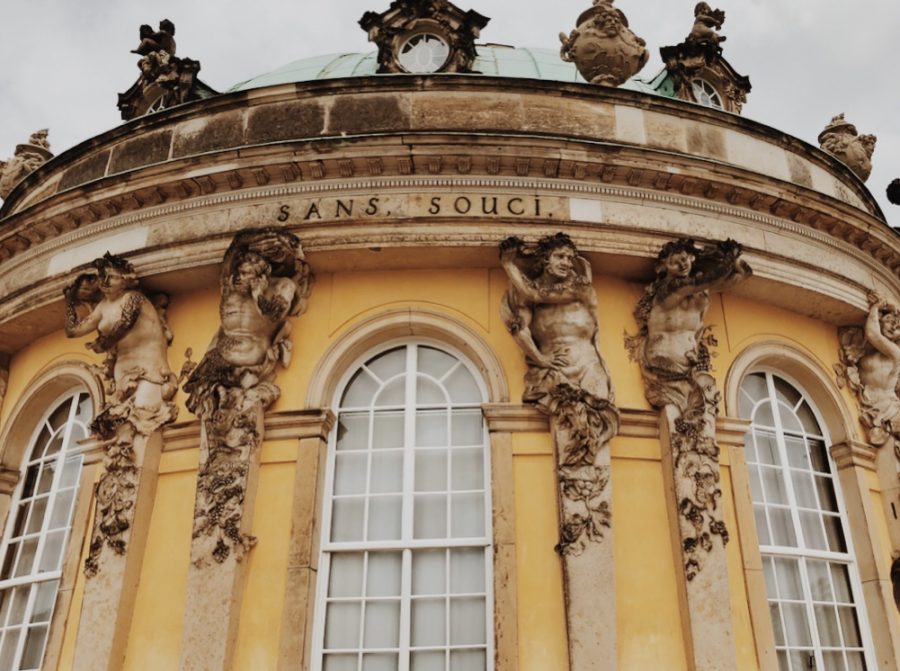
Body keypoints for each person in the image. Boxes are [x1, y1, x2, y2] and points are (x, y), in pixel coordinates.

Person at [501, 233, 618, 555]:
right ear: (544, 261)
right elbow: (519, 328)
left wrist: (508, 264)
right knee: (573, 436)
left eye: (570, 257)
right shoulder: (528, 298)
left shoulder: (579, 285)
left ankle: (588, 516)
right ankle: (581, 522)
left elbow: (535, 292)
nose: (567, 263)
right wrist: (540, 360)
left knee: (591, 435)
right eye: (559, 257)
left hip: (587, 366)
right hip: (555, 371)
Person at [184, 229, 311, 417]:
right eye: (240, 271)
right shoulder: (229, 286)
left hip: (250, 359)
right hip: (216, 361)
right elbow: (234, 249)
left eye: (246, 273)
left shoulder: (282, 286)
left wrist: (258, 295)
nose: (240, 277)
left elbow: (275, 314)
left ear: (263, 275)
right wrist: (267, 238)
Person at [64, 253, 176, 433]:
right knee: (119, 426)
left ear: (125, 280)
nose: (105, 282)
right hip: (122, 373)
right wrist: (70, 301)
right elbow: (72, 331)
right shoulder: (102, 307)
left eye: (112, 277)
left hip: (149, 367)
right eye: (102, 277)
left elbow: (125, 323)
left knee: (144, 419)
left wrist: (104, 343)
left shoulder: (133, 298)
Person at [633, 238, 751, 410]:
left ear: (692, 258)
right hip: (664, 362)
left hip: (691, 367)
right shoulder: (669, 289)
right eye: (674, 263)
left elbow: (744, 274)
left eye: (685, 259)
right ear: (662, 268)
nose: (682, 265)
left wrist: (728, 259)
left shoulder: (701, 292)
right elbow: (710, 278)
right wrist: (729, 256)